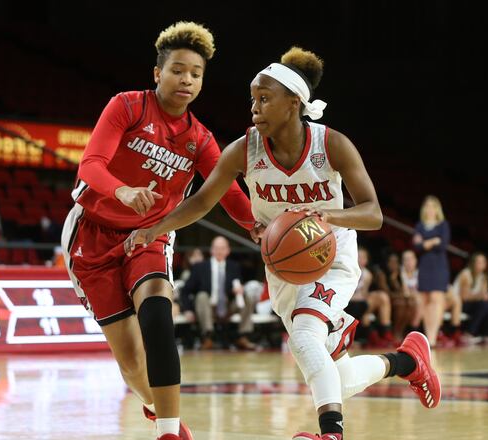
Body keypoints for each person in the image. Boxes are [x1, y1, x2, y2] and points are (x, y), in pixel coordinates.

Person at [126, 47, 440, 440]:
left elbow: (373, 213)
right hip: (284, 264)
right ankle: (407, 361)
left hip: (331, 254)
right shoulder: (244, 150)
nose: (254, 108)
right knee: (332, 379)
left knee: (305, 338)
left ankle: (331, 434)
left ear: (294, 103)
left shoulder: (333, 144)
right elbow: (204, 200)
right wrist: (155, 229)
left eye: (264, 99)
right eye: (252, 99)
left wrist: (327, 217)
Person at [59, 22, 255, 440]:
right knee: (130, 362)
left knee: (157, 308)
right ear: (157, 74)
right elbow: (90, 166)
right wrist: (123, 190)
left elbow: (230, 193)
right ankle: (158, 409)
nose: (186, 79)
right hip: (91, 233)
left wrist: (260, 227)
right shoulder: (128, 107)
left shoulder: (200, 140)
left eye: (196, 73)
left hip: (149, 235)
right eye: (178, 70)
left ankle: (168, 431)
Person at [181, 236, 257, 350]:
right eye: (216, 248)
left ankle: (243, 336)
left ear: (228, 250)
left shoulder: (234, 266)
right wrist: (187, 310)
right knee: (201, 296)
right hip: (208, 307)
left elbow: (238, 286)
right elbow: (185, 290)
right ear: (211, 250)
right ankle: (207, 337)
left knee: (249, 297)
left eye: (222, 248)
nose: (219, 251)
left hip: (228, 306)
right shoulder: (200, 267)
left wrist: (238, 290)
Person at [413, 195, 450, 347]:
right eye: (427, 206)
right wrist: (434, 241)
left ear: (437, 210)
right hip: (424, 266)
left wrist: (426, 242)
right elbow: (417, 246)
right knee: (426, 300)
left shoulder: (443, 225)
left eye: (432, 206)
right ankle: (429, 337)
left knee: (436, 298)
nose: (429, 209)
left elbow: (443, 245)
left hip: (439, 266)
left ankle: (433, 337)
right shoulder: (420, 225)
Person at [347, 247, 393, 347]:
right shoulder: (347, 271)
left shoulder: (367, 275)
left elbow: (363, 294)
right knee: (363, 308)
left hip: (359, 304)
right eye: (358, 256)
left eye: (363, 257)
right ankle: (374, 336)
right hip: (347, 304)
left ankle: (386, 334)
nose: (360, 259)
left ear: (367, 260)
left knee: (382, 296)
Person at [452, 252, 488, 342]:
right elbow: (464, 297)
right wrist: (480, 296)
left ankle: (484, 333)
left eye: (483, 262)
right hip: (458, 303)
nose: (482, 264)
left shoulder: (483, 276)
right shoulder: (466, 274)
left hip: (473, 303)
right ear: (473, 263)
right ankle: (469, 333)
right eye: (479, 262)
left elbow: (484, 293)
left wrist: (486, 296)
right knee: (483, 305)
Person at [379, 251, 419, 339]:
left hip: (402, 300)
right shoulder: (383, 274)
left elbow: (402, 291)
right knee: (402, 303)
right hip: (391, 301)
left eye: (395, 262)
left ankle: (404, 332)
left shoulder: (399, 274)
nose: (393, 264)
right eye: (391, 262)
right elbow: (389, 292)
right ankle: (397, 332)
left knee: (410, 303)